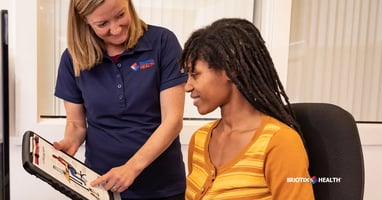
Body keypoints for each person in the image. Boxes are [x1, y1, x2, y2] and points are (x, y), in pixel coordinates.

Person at [53, 0, 187, 199]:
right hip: (101, 186)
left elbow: (172, 121)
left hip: (162, 187)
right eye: (102, 24)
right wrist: (70, 142)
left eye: (121, 15)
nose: (115, 29)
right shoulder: (73, 59)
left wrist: (131, 168)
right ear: (84, 21)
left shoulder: (162, 42)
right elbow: (76, 123)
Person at [179, 18, 315, 200]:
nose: (187, 86)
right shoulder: (200, 139)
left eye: (195, 74)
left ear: (231, 69)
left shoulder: (280, 143)